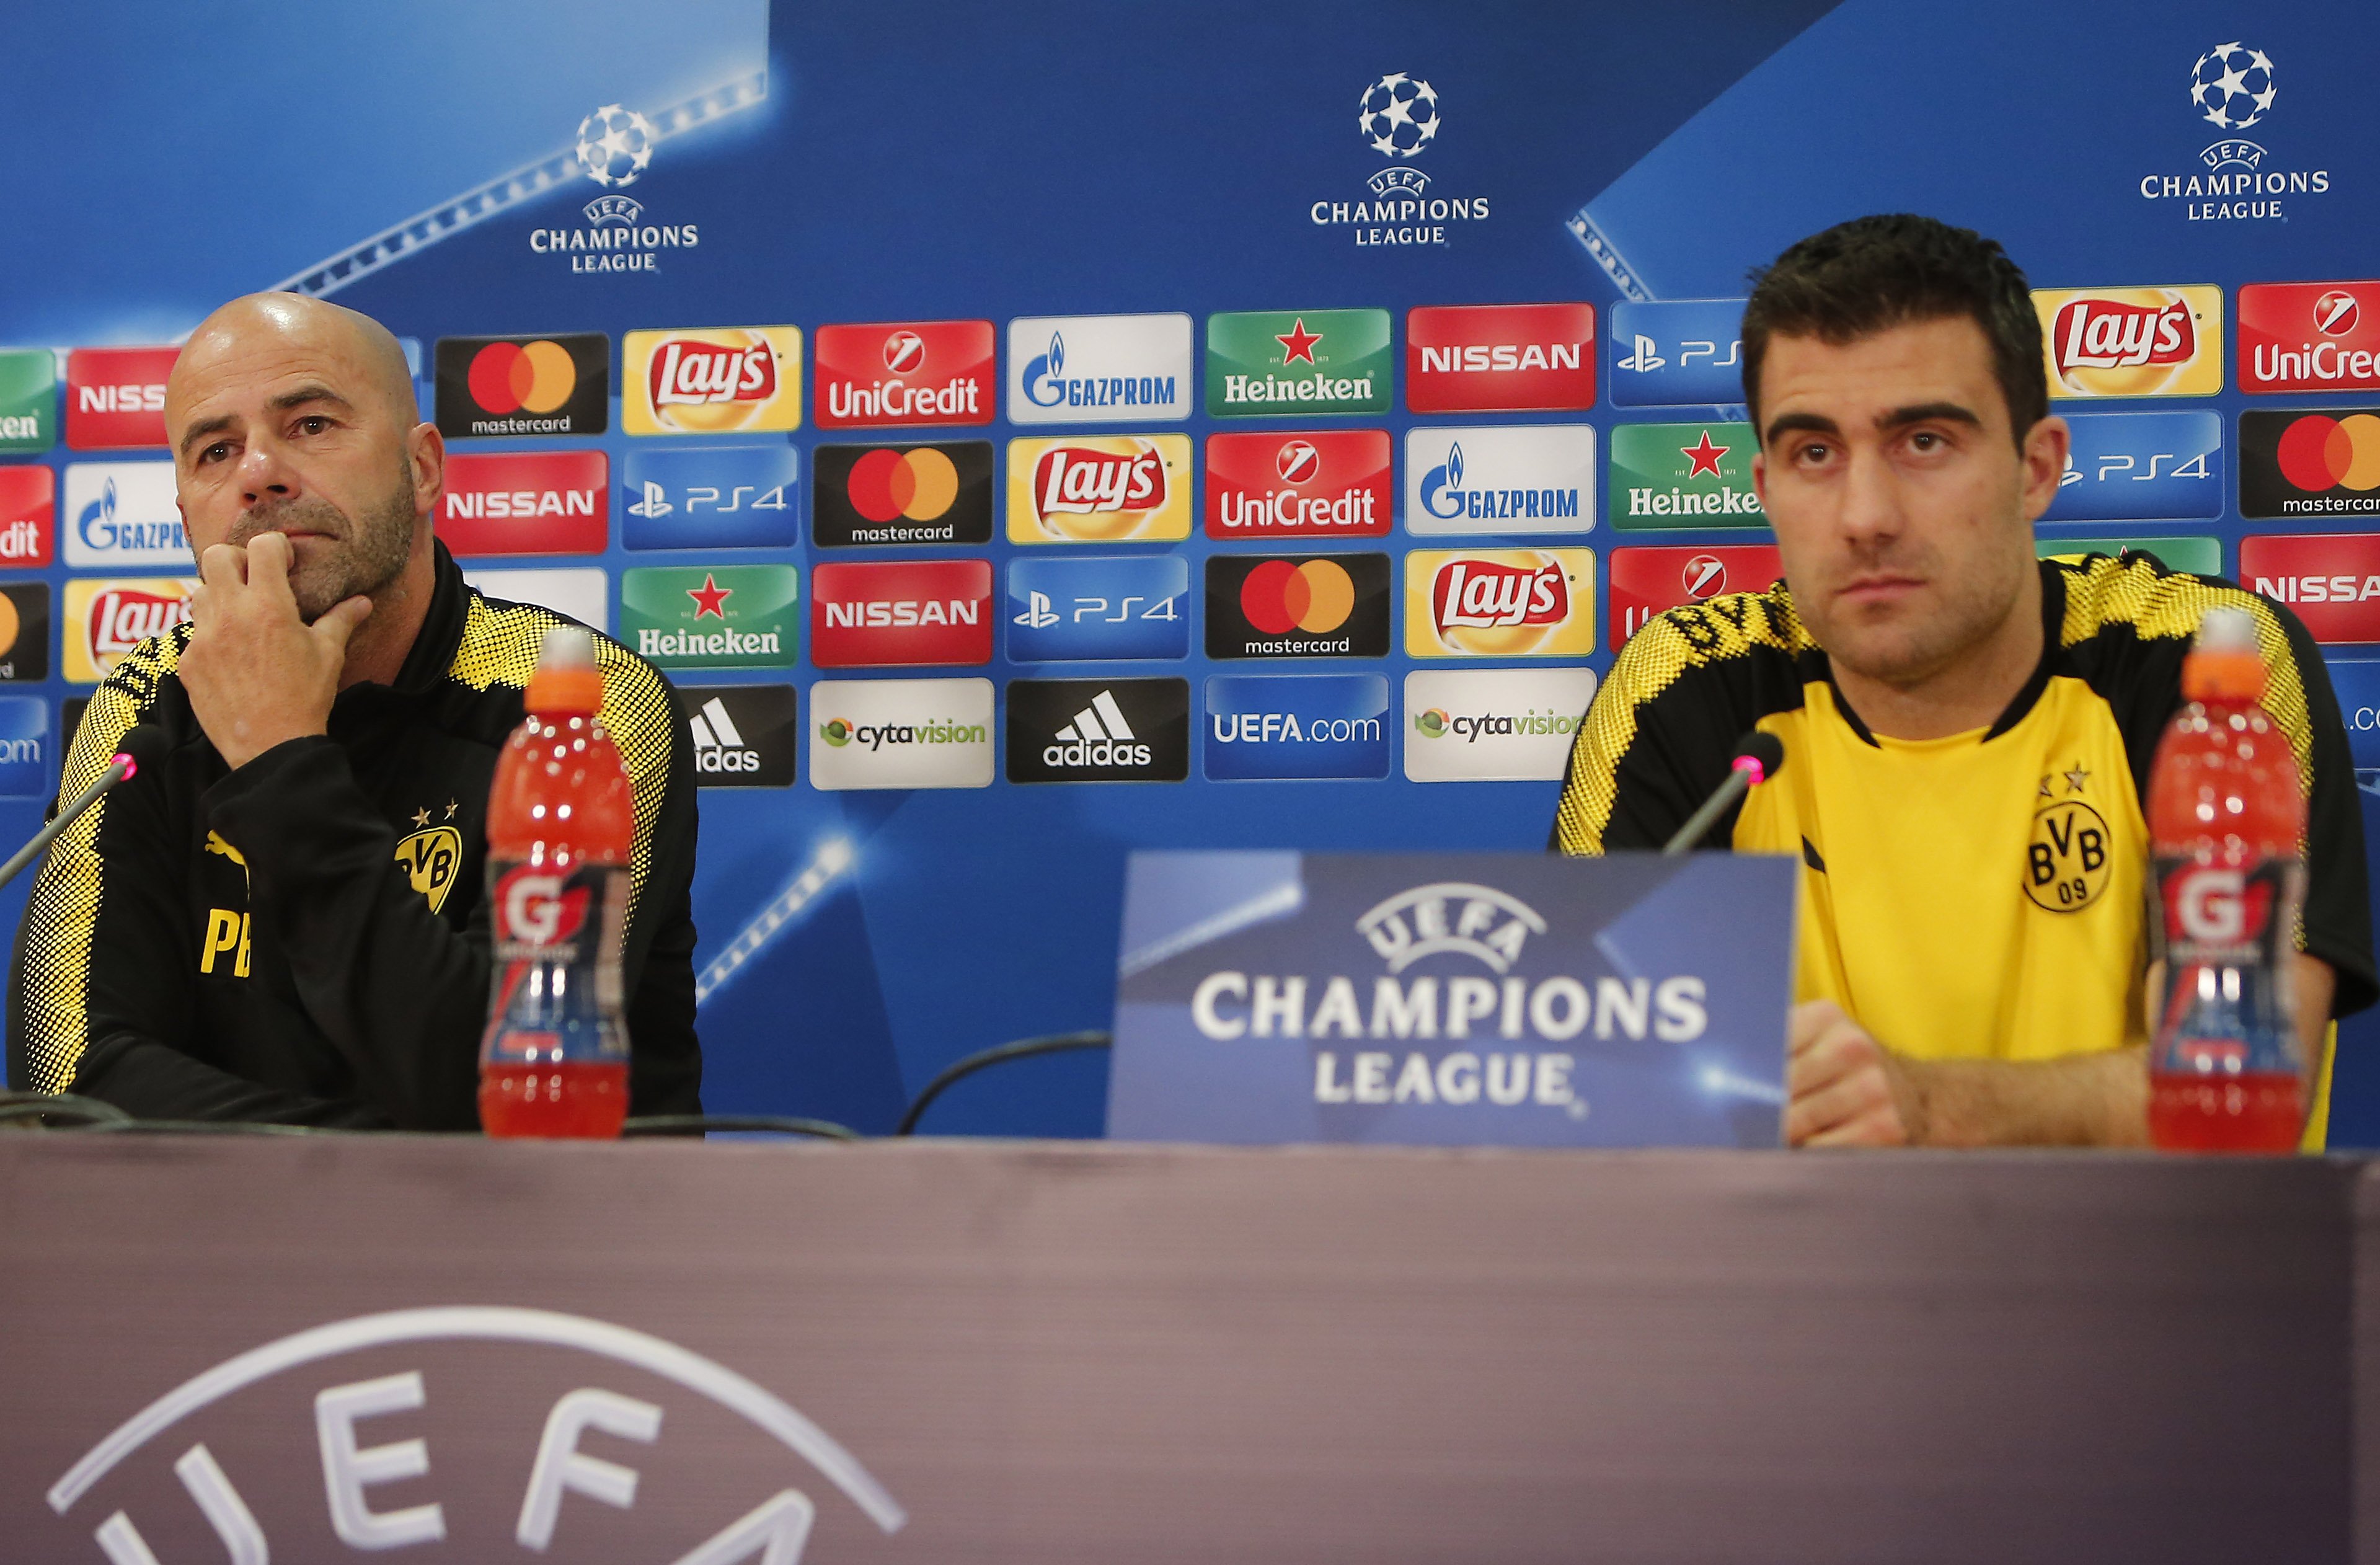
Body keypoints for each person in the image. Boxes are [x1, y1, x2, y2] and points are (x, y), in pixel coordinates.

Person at [1554, 214, 2374, 1148]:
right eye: (1814, 453)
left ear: (2037, 469)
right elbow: (1592, 1090)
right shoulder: (1683, 689)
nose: (1865, 516)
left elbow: (2240, 1090)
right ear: (1766, 487)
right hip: (1795, 1246)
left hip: (2146, 1247)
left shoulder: (2201, 671)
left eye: (1924, 442)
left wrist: (1931, 1109)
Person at [7, 293, 701, 1127]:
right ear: (187, 515)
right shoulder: (145, 705)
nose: (259, 474)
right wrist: (356, 1166)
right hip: (235, 1217)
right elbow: (69, 1076)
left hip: (534, 1217)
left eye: (311, 425)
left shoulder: (580, 710)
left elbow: (518, 1092)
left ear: (423, 470)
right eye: (217, 450)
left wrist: (276, 755)